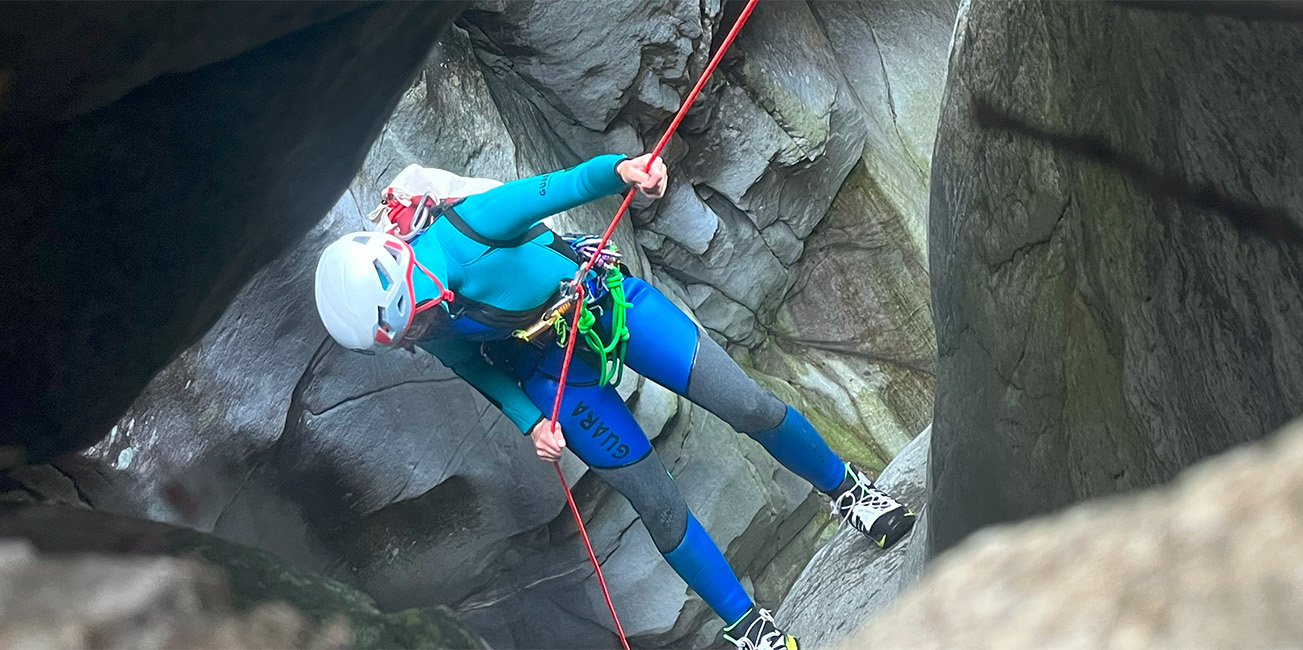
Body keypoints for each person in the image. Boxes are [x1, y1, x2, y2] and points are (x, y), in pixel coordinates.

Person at [314, 153, 915, 650]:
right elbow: (477, 368)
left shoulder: (469, 228)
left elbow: (562, 187)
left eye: (413, 322)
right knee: (654, 501)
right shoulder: (430, 329)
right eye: (406, 337)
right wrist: (530, 424)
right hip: (548, 376)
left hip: (608, 306)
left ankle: (847, 492)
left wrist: (624, 172)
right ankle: (747, 626)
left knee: (749, 406)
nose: (419, 333)